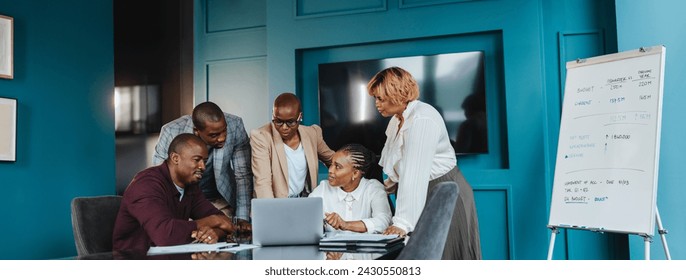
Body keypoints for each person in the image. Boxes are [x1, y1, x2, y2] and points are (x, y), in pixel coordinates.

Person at [367, 66, 482, 260]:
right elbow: (394, 164)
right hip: (424, 192)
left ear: (397, 94)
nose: (377, 104)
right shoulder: (397, 119)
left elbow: (414, 175)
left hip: (445, 193)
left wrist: (402, 223)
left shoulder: (422, 119)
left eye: (380, 98)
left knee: (449, 258)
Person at [113, 134, 236, 252]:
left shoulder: (190, 185)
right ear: (175, 158)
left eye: (204, 161)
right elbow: (164, 235)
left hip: (171, 257)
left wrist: (212, 233)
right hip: (135, 260)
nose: (203, 166)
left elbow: (223, 222)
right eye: (197, 160)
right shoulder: (146, 185)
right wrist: (213, 221)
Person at [152, 101, 252, 229]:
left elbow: (243, 175)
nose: (222, 138)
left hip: (218, 199)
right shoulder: (171, 132)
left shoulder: (235, 125)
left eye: (224, 131)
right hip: (183, 200)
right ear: (197, 131)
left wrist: (242, 219)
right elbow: (160, 177)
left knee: (223, 233)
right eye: (214, 135)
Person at [250, 92, 334, 198]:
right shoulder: (261, 137)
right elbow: (263, 183)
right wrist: (270, 211)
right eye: (278, 121)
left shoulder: (312, 133)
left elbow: (334, 161)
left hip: (303, 201)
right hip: (276, 203)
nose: (284, 127)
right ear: (273, 115)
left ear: (300, 116)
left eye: (291, 122)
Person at [309, 143, 391, 233]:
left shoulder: (373, 188)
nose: (330, 170)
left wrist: (346, 225)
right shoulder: (323, 188)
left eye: (337, 167)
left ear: (355, 173)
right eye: (331, 164)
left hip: (364, 246)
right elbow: (306, 213)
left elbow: (383, 221)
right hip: (334, 246)